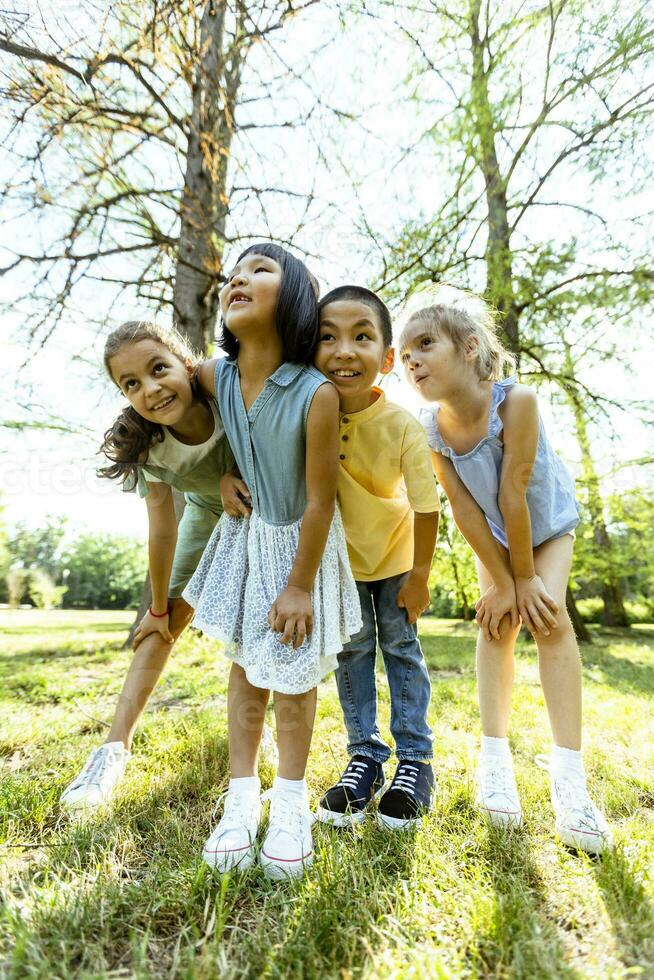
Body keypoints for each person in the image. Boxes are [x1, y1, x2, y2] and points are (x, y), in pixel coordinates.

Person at [399, 291, 612, 854]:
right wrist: (501, 582)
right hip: (494, 536)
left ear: (470, 348)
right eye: (404, 354)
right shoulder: (429, 430)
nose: (411, 360)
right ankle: (494, 761)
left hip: (545, 524)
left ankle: (570, 781)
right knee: (495, 626)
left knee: (550, 619)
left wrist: (524, 581)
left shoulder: (517, 401)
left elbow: (514, 491)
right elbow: (467, 510)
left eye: (424, 344)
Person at [183, 244, 361, 879]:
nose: (239, 278)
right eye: (236, 271)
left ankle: (289, 805)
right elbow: (170, 392)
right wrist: (221, 477)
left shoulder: (315, 393)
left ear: (293, 299)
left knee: (292, 675)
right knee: (244, 668)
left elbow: (320, 501)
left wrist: (299, 587)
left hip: (300, 549)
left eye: (260, 270)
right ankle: (240, 802)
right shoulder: (214, 376)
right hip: (248, 538)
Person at [60, 320, 241, 809]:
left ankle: (252, 736)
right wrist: (159, 607)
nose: (151, 389)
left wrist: (231, 473)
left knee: (258, 621)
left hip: (268, 507)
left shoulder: (224, 385)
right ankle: (112, 748)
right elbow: (162, 530)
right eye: (131, 384)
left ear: (186, 363)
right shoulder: (149, 445)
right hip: (205, 513)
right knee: (159, 627)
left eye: (158, 368)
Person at [312, 286, 440, 830]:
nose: (344, 350)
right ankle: (363, 757)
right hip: (341, 564)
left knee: (400, 648)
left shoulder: (401, 424)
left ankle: (415, 761)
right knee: (353, 652)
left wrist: (420, 576)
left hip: (394, 560)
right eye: (328, 337)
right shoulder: (305, 413)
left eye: (361, 337)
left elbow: (426, 504)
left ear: (386, 359)